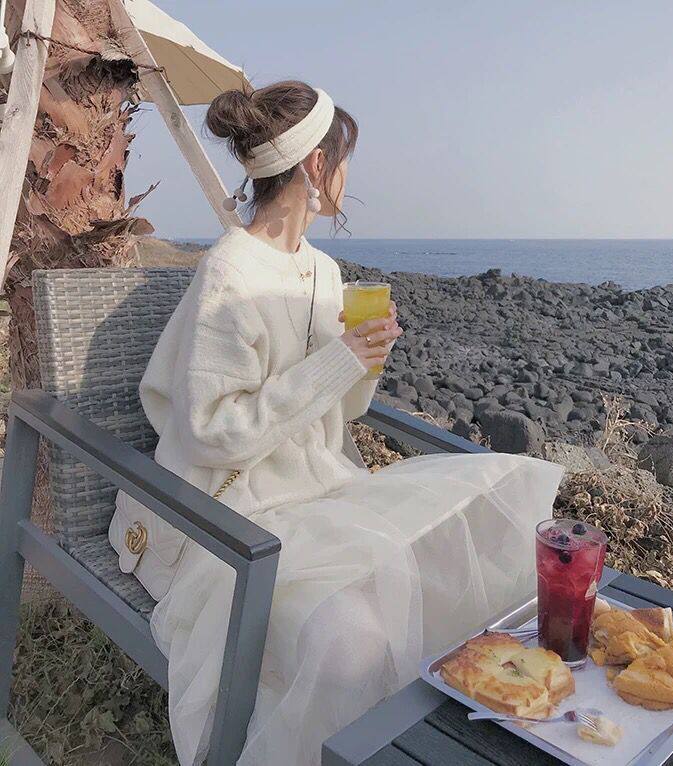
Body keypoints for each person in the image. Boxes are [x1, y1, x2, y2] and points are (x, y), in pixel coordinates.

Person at [108, 80, 564, 766]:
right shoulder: (229, 274)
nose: (349, 175)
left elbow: (341, 411)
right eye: (343, 159)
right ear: (316, 165)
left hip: (324, 489)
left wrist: (365, 362)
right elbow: (209, 429)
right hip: (236, 514)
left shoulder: (324, 272)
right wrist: (337, 361)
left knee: (482, 540)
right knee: (351, 640)